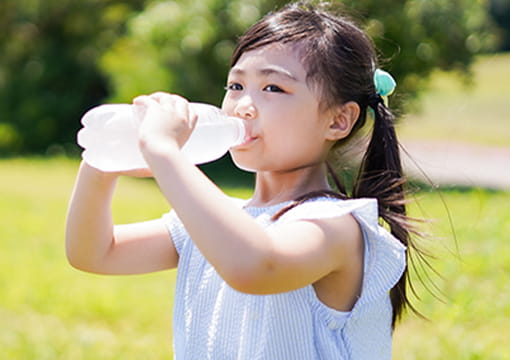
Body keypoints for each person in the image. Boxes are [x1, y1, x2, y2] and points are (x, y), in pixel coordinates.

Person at [66, 2, 421, 359]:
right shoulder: (217, 222)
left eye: (273, 89)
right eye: (236, 85)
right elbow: (95, 252)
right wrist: (103, 160)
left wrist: (165, 153)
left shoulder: (337, 227)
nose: (243, 106)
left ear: (338, 120)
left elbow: (254, 267)